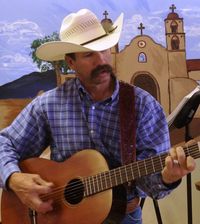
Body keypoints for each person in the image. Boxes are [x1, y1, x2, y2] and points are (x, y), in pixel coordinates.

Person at [0, 9, 196, 224]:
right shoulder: (49, 104)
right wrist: (14, 178)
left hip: (123, 217)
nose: (101, 60)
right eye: (88, 54)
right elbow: (4, 143)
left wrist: (168, 178)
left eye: (104, 49)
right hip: (58, 217)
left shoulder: (144, 106)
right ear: (71, 62)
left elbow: (152, 184)